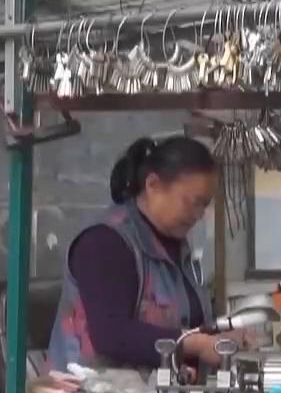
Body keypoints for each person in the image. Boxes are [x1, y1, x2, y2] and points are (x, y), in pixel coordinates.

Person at [47, 136, 239, 374]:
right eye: (192, 202)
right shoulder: (105, 242)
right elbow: (111, 335)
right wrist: (194, 345)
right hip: (92, 392)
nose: (198, 214)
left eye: (205, 205)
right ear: (153, 185)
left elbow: (187, 323)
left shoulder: (177, 246)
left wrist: (220, 338)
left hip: (156, 390)